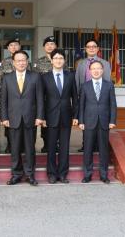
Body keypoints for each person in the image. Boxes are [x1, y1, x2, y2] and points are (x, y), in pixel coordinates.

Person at [1, 50, 44, 186]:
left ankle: (30, 175)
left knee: (30, 148)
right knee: (15, 149)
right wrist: (4, 117)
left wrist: (39, 116)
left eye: (23, 60)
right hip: (13, 119)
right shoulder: (7, 78)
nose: (21, 63)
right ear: (14, 63)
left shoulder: (35, 77)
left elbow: (40, 99)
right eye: (18, 60)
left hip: (30, 118)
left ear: (27, 61)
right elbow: (4, 100)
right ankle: (16, 174)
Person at [42, 49, 79, 184]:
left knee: (64, 147)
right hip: (50, 117)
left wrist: (76, 115)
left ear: (64, 61)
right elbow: (41, 99)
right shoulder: (44, 77)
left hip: (66, 116)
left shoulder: (70, 76)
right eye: (56, 58)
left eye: (61, 58)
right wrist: (42, 117)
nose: (58, 60)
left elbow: (75, 97)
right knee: (51, 147)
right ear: (51, 60)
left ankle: (63, 174)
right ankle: (51, 174)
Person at [78, 60, 117, 184]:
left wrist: (112, 120)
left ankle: (104, 174)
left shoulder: (109, 85)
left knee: (103, 149)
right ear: (89, 71)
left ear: (102, 70)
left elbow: (113, 104)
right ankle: (87, 174)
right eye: (93, 68)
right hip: (89, 121)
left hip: (104, 121)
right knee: (88, 149)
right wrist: (81, 121)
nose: (96, 70)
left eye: (98, 68)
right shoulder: (85, 85)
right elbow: (81, 105)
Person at [75, 39, 111, 153]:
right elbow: (77, 81)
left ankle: (97, 145)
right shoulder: (80, 63)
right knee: (85, 122)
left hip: (100, 97)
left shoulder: (105, 63)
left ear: (97, 49)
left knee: (99, 122)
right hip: (85, 97)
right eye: (89, 46)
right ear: (85, 49)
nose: (91, 48)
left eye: (94, 46)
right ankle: (86, 144)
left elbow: (107, 81)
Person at [31, 36, 57, 153]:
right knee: (44, 121)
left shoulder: (59, 59)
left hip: (57, 98)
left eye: (52, 44)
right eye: (48, 44)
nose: (50, 46)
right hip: (44, 97)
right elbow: (34, 80)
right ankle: (46, 144)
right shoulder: (38, 62)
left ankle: (56, 143)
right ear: (44, 47)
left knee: (56, 121)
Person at [0, 38, 21, 153]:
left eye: (16, 45)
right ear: (8, 48)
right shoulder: (3, 63)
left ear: (19, 47)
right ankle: (10, 144)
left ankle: (21, 146)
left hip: (22, 97)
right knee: (9, 123)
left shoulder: (25, 61)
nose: (13, 47)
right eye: (11, 45)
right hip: (9, 97)